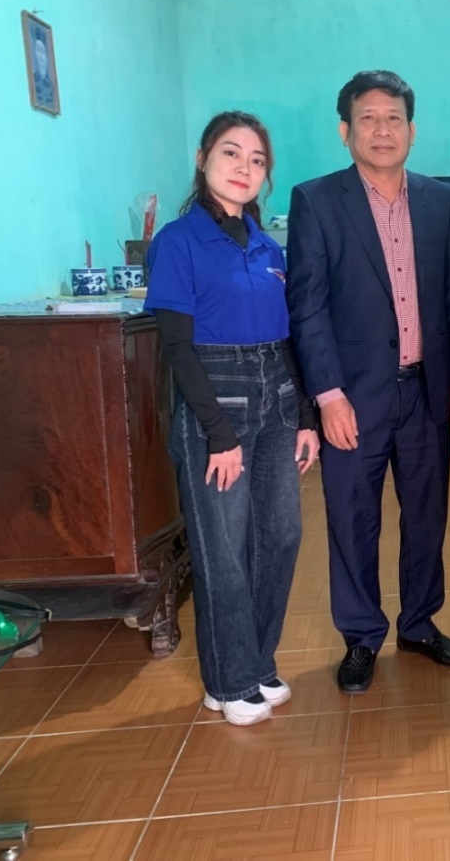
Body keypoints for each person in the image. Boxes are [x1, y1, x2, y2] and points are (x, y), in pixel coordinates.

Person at [285, 70, 450, 694]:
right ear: (345, 131)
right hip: (352, 397)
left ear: (412, 131)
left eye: (393, 118)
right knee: (352, 520)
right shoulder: (317, 200)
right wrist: (327, 396)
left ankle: (419, 624)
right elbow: (307, 307)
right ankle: (362, 636)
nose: (381, 130)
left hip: (426, 390)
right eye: (367, 118)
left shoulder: (437, 202)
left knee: (426, 516)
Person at [145, 111, 320, 726]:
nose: (244, 167)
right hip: (215, 403)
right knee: (223, 550)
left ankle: (256, 664)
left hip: (278, 399)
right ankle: (228, 680)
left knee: (281, 536)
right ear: (202, 159)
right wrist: (217, 435)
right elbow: (177, 347)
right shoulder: (179, 241)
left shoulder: (269, 246)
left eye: (257, 159)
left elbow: (289, 340)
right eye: (230, 153)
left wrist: (305, 416)